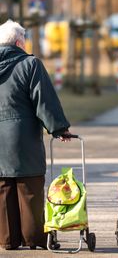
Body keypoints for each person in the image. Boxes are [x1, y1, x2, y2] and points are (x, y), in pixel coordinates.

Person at [0, 20, 72, 250]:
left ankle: (7, 240)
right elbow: (44, 101)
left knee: (3, 189)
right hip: (23, 138)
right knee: (29, 188)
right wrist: (59, 127)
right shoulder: (30, 64)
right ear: (20, 42)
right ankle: (34, 239)